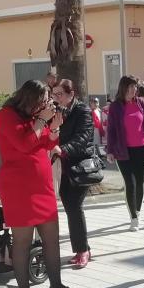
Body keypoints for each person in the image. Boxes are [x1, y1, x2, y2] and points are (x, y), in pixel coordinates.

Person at [0, 80, 83, 288]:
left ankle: (56, 285)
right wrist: (43, 120)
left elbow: (47, 143)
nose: (47, 104)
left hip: (41, 185)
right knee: (22, 242)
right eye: (44, 100)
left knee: (51, 237)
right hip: (18, 187)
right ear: (30, 98)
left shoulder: (36, 117)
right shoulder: (7, 116)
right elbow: (25, 144)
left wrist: (54, 127)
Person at [50, 79, 95, 269]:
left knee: (74, 206)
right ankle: (83, 248)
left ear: (71, 94)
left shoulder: (82, 110)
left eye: (60, 94)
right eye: (54, 94)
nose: (56, 98)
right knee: (70, 207)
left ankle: (82, 250)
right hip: (61, 166)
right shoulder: (54, 110)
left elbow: (83, 137)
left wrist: (63, 149)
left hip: (79, 166)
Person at [106, 75, 144, 231]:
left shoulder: (141, 103)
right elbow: (111, 130)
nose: (135, 89)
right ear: (124, 88)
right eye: (132, 86)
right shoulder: (115, 107)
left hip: (141, 149)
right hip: (123, 151)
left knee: (140, 182)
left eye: (135, 86)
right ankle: (133, 217)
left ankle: (137, 212)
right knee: (130, 183)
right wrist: (110, 150)